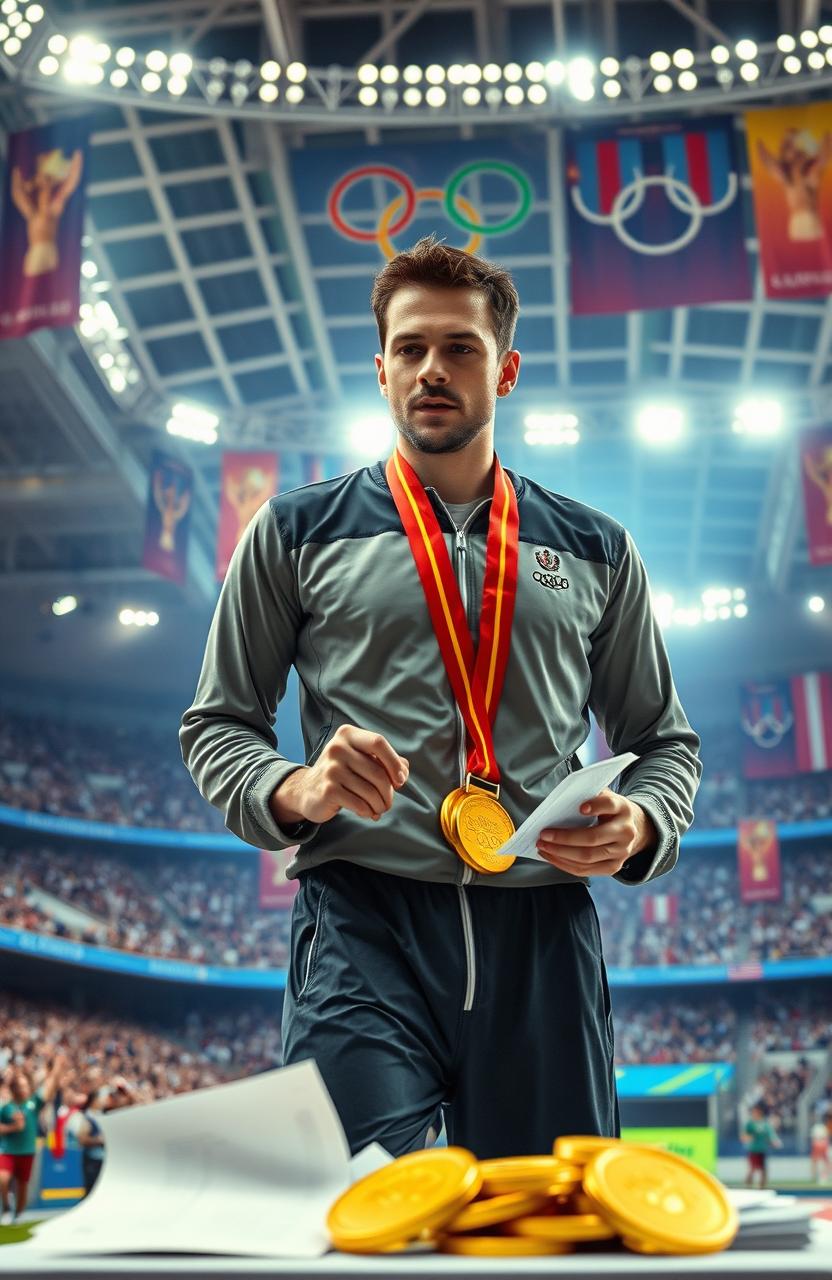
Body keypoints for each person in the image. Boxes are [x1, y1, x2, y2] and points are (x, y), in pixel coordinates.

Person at [181, 236, 701, 1158]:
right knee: (355, 1215)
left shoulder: (598, 548)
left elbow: (664, 742)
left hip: (542, 927)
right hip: (362, 922)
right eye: (412, 348)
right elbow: (220, 725)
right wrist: (293, 791)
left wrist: (644, 823)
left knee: (552, 1227)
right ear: (380, 369)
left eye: (459, 348)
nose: (433, 369)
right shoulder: (294, 531)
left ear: (504, 371)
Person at [0, 1054, 65, 1224]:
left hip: (27, 1151)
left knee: (22, 1186)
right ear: (13, 1089)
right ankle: (6, 1207)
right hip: (8, 1150)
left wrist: (57, 1067)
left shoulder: (33, 1103)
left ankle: (18, 1215)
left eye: (25, 1085)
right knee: (3, 1179)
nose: (23, 1089)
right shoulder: (6, 1107)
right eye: (19, 1086)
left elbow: (49, 1088)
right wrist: (13, 1128)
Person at [741, 1102, 782, 1188]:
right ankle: (747, 1186)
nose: (753, 1113)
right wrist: (748, 1137)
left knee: (763, 1170)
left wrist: (774, 1141)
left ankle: (762, 1188)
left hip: (762, 1149)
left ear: (759, 1112)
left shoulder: (765, 1124)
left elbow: (771, 1135)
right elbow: (744, 1136)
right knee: (752, 1169)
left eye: (755, 1111)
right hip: (753, 1149)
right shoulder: (750, 1124)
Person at [810, 1111, 830, 1185]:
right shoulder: (818, 1127)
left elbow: (824, 1138)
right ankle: (816, 1177)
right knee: (816, 1162)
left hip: (820, 1146)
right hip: (819, 1146)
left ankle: (823, 1176)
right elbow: (815, 1139)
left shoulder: (821, 1127)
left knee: (824, 1163)